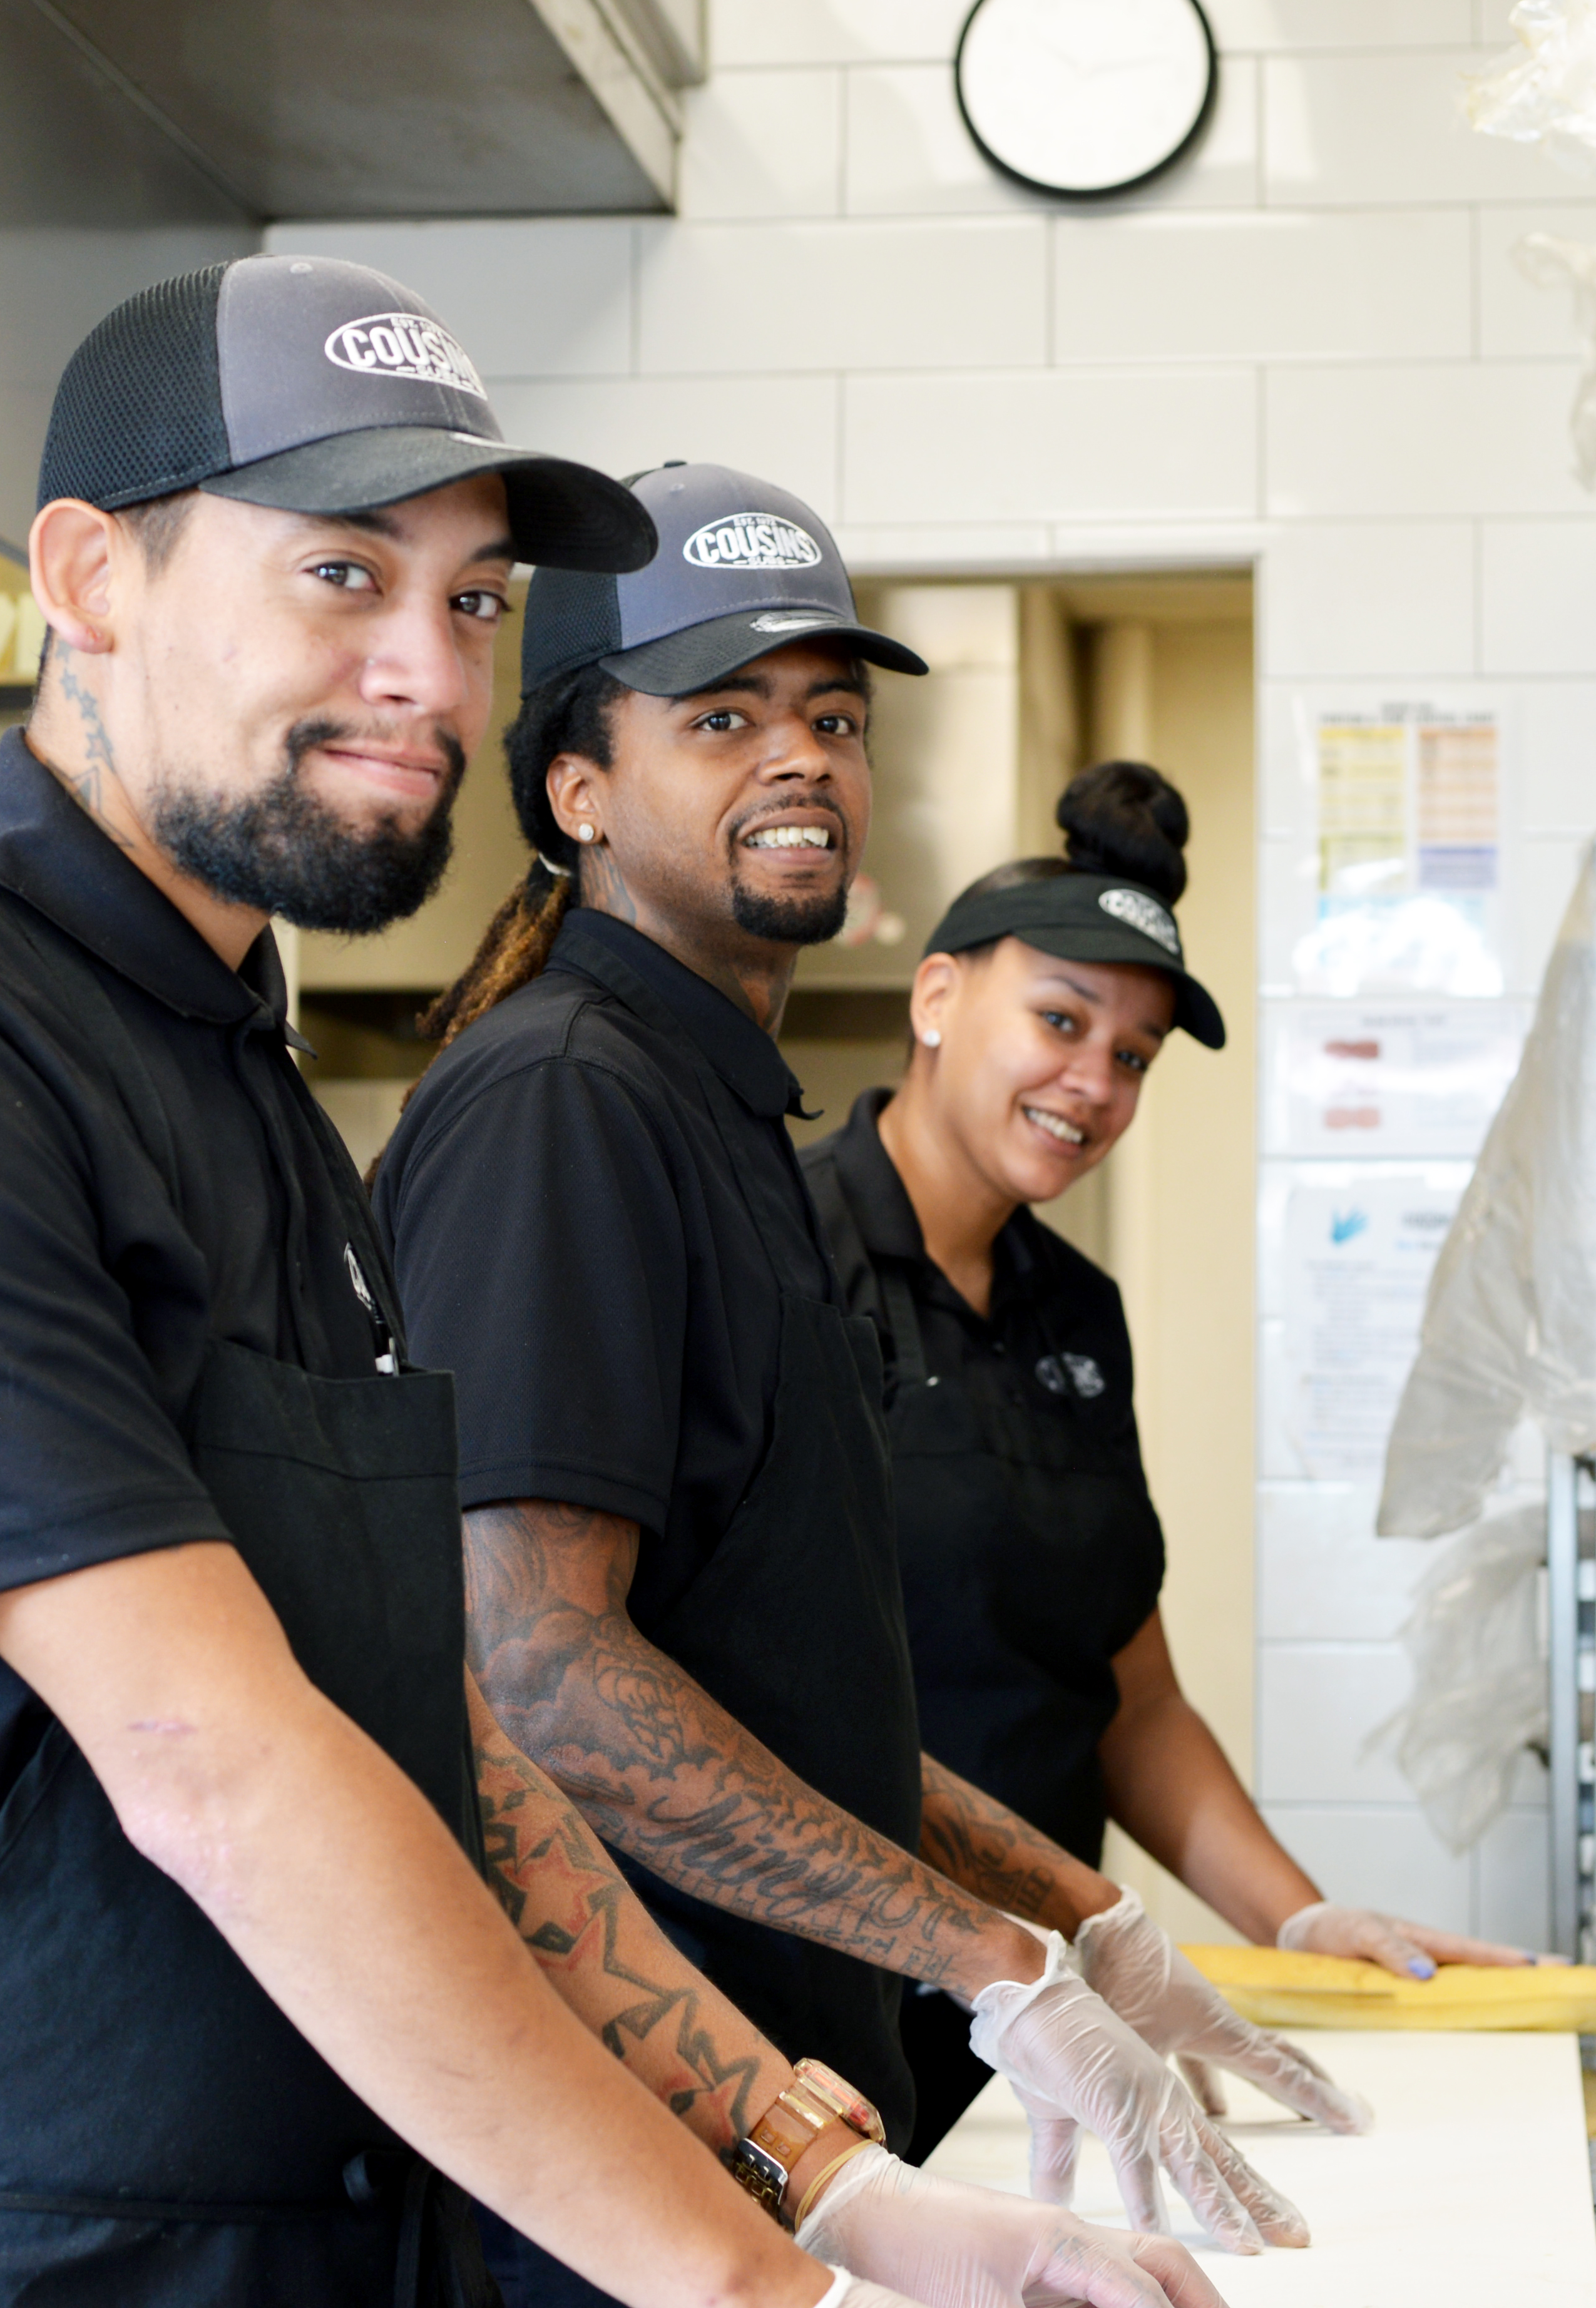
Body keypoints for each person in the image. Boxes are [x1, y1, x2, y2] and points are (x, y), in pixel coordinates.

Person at [0, 261, 1220, 2308]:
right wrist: (758, 2289)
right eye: (340, 577)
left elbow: (442, 1745)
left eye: (467, 601)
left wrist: (822, 2178)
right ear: (89, 576)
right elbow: (221, 1762)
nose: (431, 673)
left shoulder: (266, 1104)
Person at [372, 463, 1359, 2308]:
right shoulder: (564, 1104)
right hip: (636, 2172)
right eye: (723, 715)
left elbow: (784, 1696)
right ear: (577, 787)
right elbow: (539, 1674)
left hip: (806, 2127)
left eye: (832, 715)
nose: (803, 757)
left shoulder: (724, 1115)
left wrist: (1088, 1920)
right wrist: (986, 1961)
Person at [798, 759, 1538, 2158]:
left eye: (1130, 1054)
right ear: (937, 996)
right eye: (1061, 1019)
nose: (1093, 1081)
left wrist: (1298, 1919)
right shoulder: (775, 1256)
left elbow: (1129, 1698)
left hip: (1047, 2023)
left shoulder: (1078, 1312)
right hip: (813, 2017)